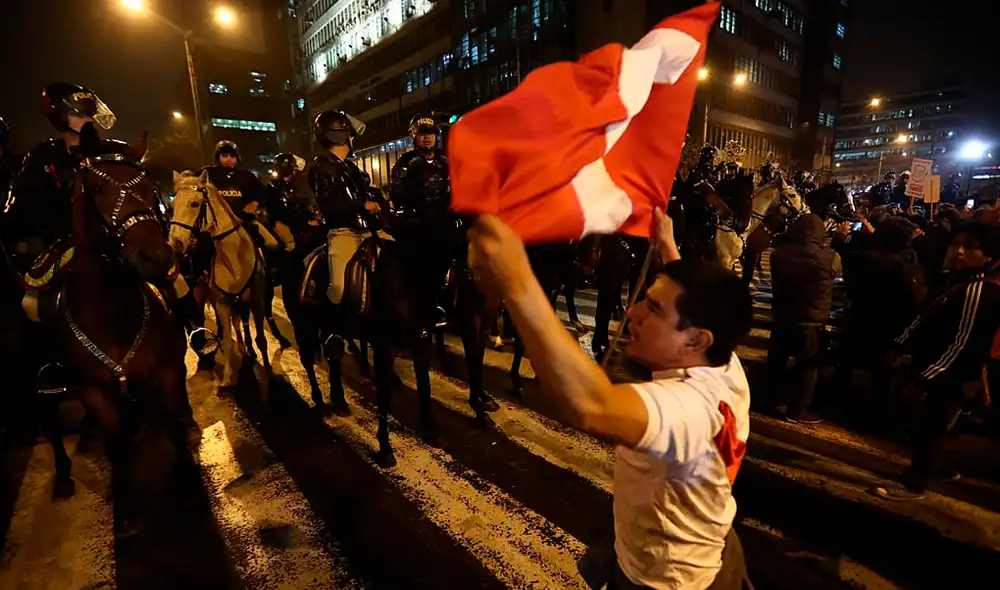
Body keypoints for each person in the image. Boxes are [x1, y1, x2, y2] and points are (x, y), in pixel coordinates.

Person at [468, 209, 753, 590]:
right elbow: (697, 301)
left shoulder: (684, 407)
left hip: (663, 581)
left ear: (696, 340)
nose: (632, 313)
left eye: (652, 309)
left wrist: (516, 279)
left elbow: (590, 404)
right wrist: (667, 245)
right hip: (714, 550)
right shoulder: (726, 366)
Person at [880, 222, 1000, 499]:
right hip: (936, 372)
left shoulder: (978, 291)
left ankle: (914, 484)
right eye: (956, 244)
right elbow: (925, 318)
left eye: (971, 247)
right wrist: (900, 346)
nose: (958, 251)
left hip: (951, 378)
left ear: (989, 256)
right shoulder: (953, 280)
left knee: (929, 429)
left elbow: (962, 345)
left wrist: (926, 379)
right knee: (928, 427)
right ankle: (941, 468)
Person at [3, 83, 118, 262]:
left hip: (109, 251)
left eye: (90, 114)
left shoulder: (109, 154)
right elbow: (25, 208)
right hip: (59, 253)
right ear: (61, 118)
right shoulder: (43, 156)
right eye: (80, 114)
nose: (89, 120)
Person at [308, 110, 381, 344]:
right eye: (350, 134)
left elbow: (367, 193)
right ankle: (332, 332)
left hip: (368, 231)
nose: (353, 140)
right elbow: (329, 206)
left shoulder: (350, 168)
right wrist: (363, 204)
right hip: (343, 233)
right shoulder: (321, 167)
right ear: (340, 136)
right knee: (338, 287)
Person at [766, 214, 837, 423]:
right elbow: (837, 270)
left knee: (777, 360)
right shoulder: (829, 256)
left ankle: (772, 400)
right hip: (810, 321)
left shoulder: (778, 254)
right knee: (807, 367)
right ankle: (798, 409)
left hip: (783, 316)